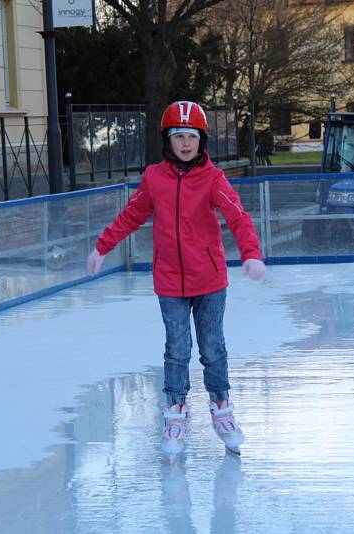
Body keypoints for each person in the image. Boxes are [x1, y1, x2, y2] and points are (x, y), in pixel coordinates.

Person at [86, 100, 266, 455]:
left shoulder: (214, 179)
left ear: (202, 141)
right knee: (177, 350)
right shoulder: (154, 178)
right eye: (178, 136)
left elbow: (239, 218)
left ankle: (221, 409)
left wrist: (251, 254)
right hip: (170, 281)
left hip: (210, 281)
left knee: (213, 348)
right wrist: (102, 247)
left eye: (192, 136)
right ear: (167, 141)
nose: (186, 143)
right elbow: (130, 216)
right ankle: (175, 413)